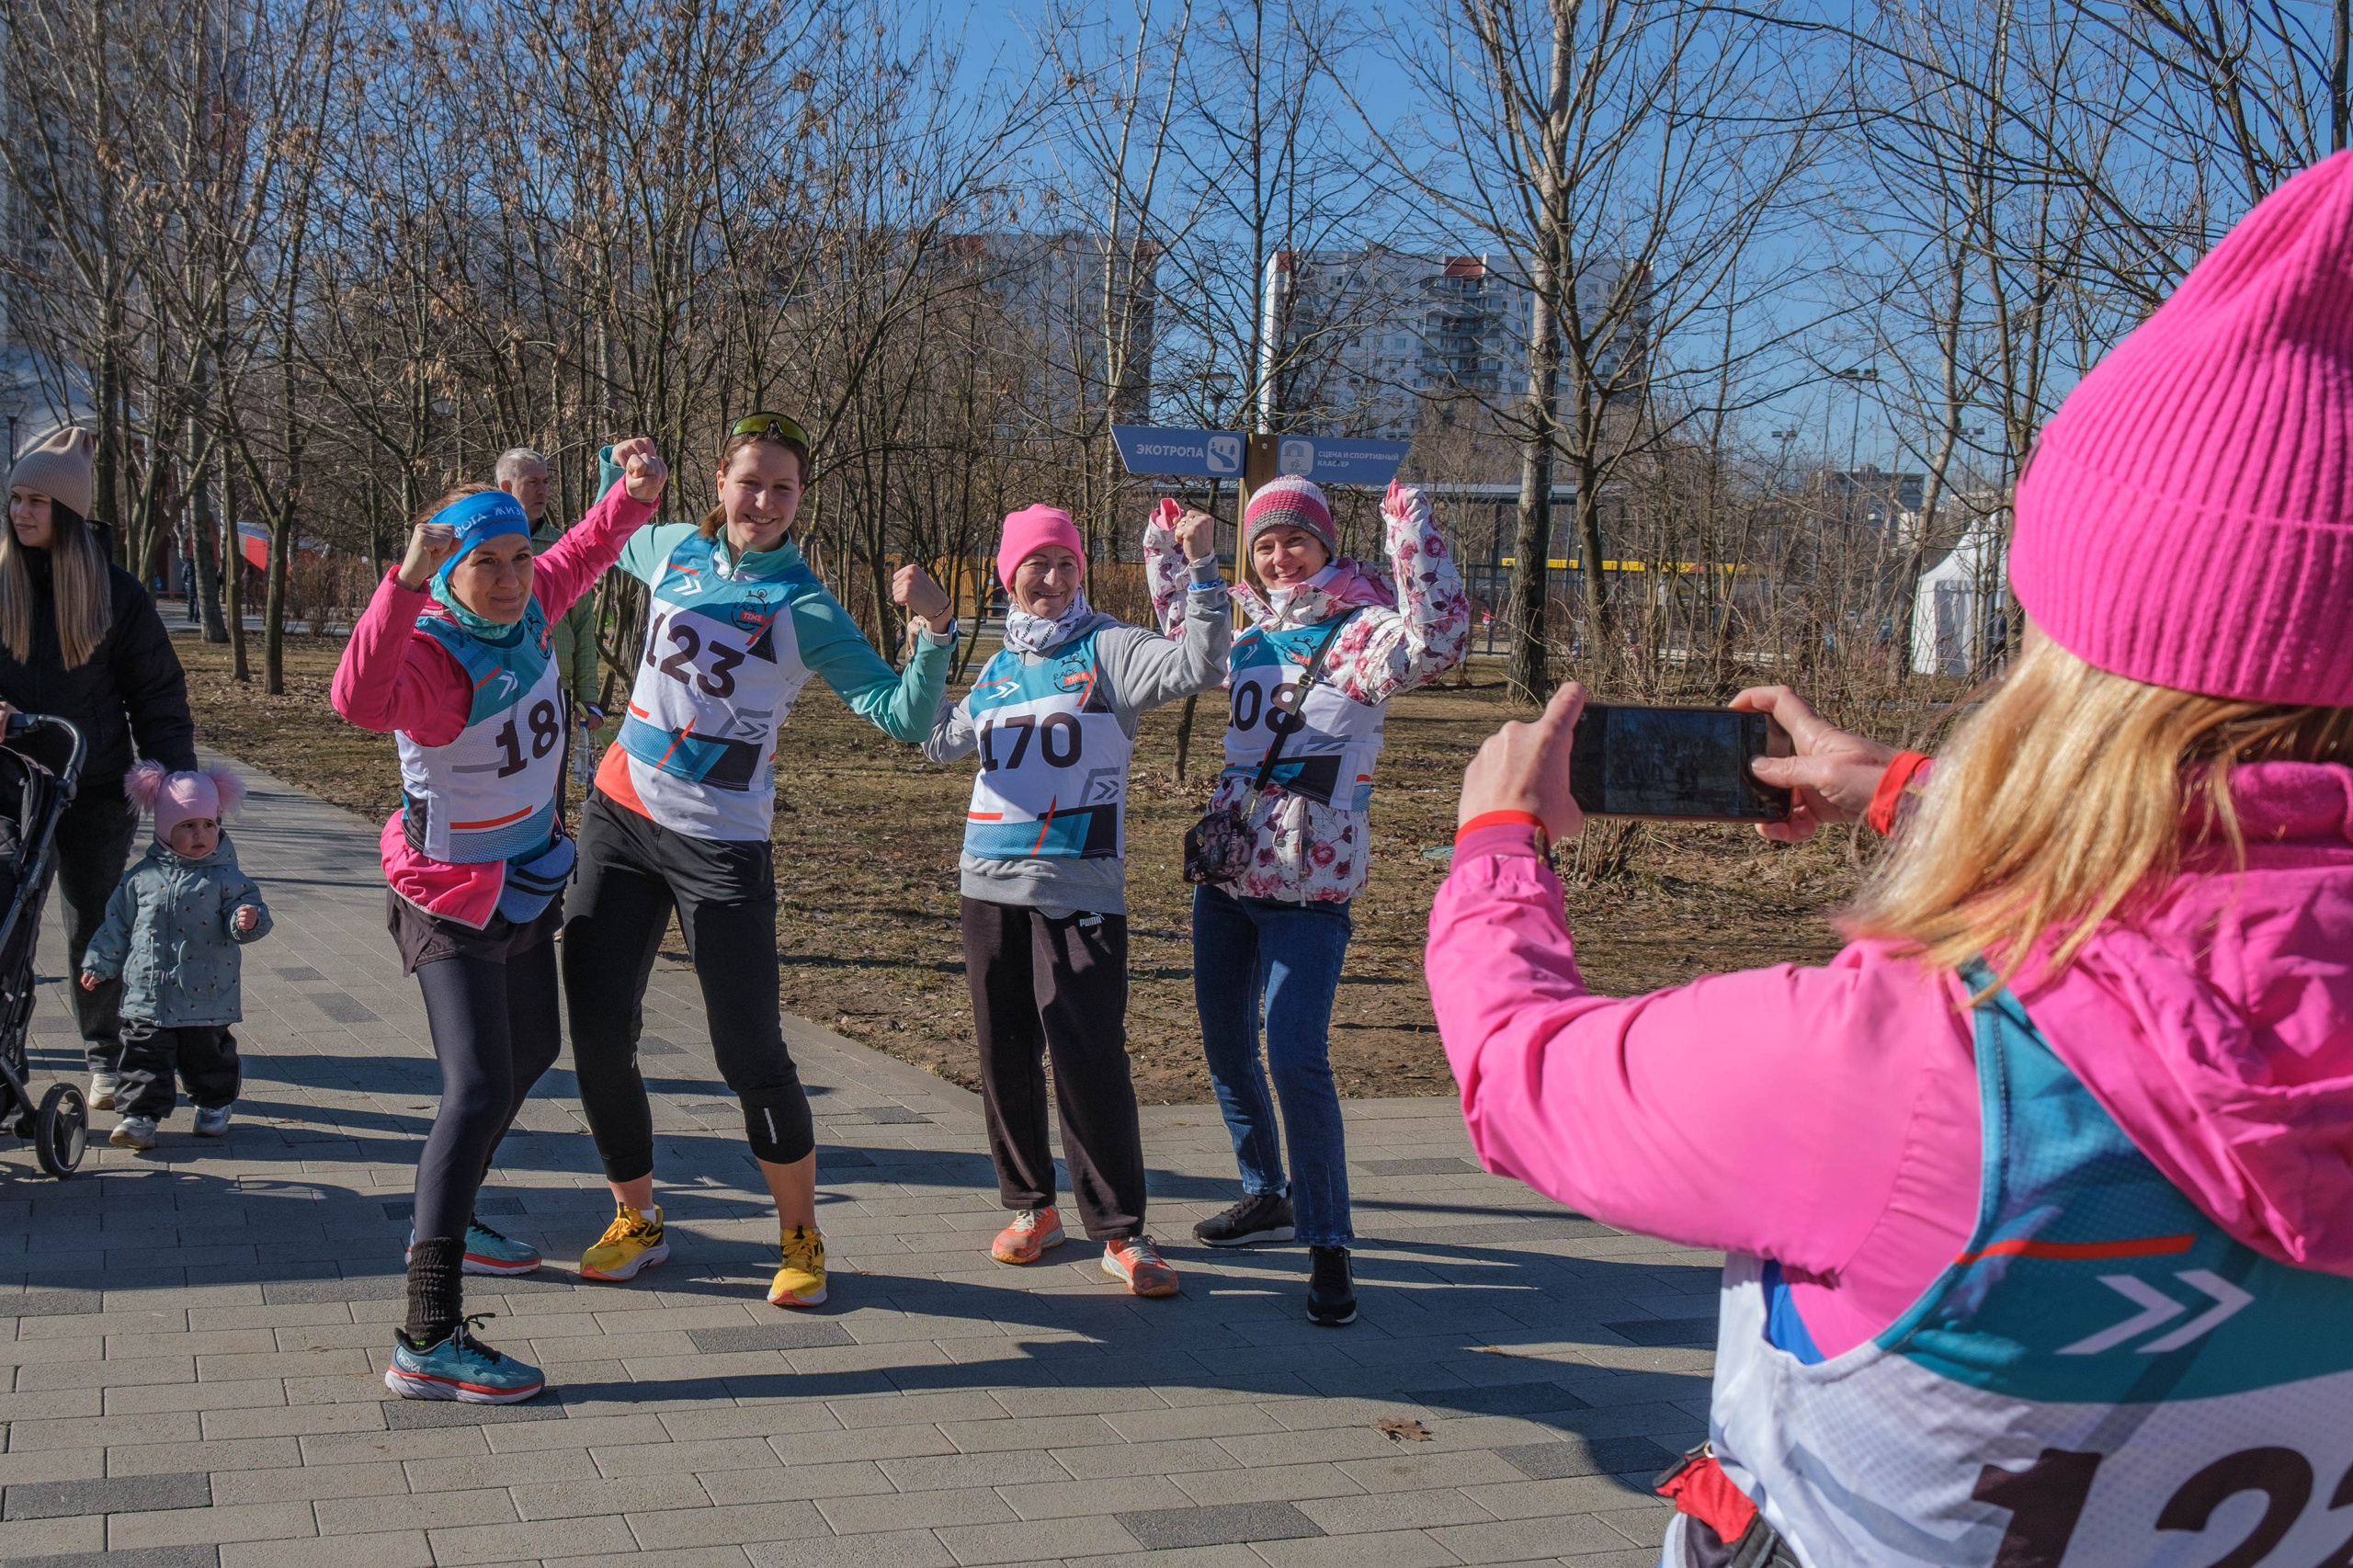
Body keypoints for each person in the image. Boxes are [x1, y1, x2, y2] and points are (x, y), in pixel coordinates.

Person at [1427, 151, 2353, 1568]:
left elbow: (1524, 1075)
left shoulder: (1906, 1074)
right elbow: (2236, 916)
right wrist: (1910, 793)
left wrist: (1498, 849)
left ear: (2083, 665)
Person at [561, 413, 956, 1310]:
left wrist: (934, 630)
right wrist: (621, 472)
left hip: (721, 844)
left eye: (783, 488)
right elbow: (607, 528)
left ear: (800, 500)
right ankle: (636, 1216)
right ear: (719, 482)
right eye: (751, 482)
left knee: (750, 1052)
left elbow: (900, 715)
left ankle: (801, 1235)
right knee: (596, 1027)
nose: (765, 502)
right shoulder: (669, 549)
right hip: (620, 815)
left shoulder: (806, 605)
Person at [332, 438, 670, 1403]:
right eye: (488, 563)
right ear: (447, 569)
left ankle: (461, 1208)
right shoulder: (432, 655)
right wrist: (399, 583)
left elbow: (584, 553)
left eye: (520, 557)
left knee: (530, 1053)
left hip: (523, 875)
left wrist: (629, 494)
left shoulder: (528, 612)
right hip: (447, 891)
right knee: (476, 1084)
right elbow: (356, 697)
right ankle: (427, 1331)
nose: (514, 577)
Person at [1171, 477, 1466, 1326]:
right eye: (1264, 544)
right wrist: (1172, 555)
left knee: (1294, 1054)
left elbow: (1440, 637)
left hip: (1308, 885)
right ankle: (1265, 1189)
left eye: (1295, 540)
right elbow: (1181, 642)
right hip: (1229, 876)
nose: (1279, 555)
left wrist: (1411, 530)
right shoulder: (1249, 629)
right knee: (1226, 1045)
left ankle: (1328, 1241)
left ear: (1328, 545)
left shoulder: (1364, 632)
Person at [926, 501, 1231, 1297]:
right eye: (1037, 565)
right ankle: (1032, 1208)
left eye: (1066, 564)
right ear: (1009, 576)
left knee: (1088, 1057)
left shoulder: (1110, 649)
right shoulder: (996, 665)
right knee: (1005, 1054)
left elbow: (1198, 666)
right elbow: (935, 741)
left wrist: (1202, 571)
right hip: (986, 883)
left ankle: (1121, 1231)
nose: (1054, 579)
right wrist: (929, 638)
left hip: (1078, 883)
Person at [0, 427, 199, 1112]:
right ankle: (6, 1057)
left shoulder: (116, 594)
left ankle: (103, 1054)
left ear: (70, 512)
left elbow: (157, 695)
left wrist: (178, 786)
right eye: (15, 498)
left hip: (92, 785)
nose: (21, 512)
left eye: (36, 501)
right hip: (7, 789)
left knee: (95, 925)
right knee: (8, 921)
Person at [81, 762, 270, 1149]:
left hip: (206, 993)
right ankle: (139, 1117)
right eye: (186, 826)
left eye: (208, 824)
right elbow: (116, 924)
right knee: (143, 1057)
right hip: (147, 994)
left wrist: (246, 921)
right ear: (165, 830)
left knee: (208, 1058)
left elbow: (248, 916)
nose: (200, 834)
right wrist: (101, 962)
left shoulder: (228, 879)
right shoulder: (140, 878)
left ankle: (214, 1105)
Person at [496, 448, 605, 723]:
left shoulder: (563, 547)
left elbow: (582, 624)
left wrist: (588, 697)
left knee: (555, 769)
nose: (542, 491)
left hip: (558, 686)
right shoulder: (484, 547)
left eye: (545, 482)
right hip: (501, 688)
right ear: (507, 488)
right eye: (532, 483)